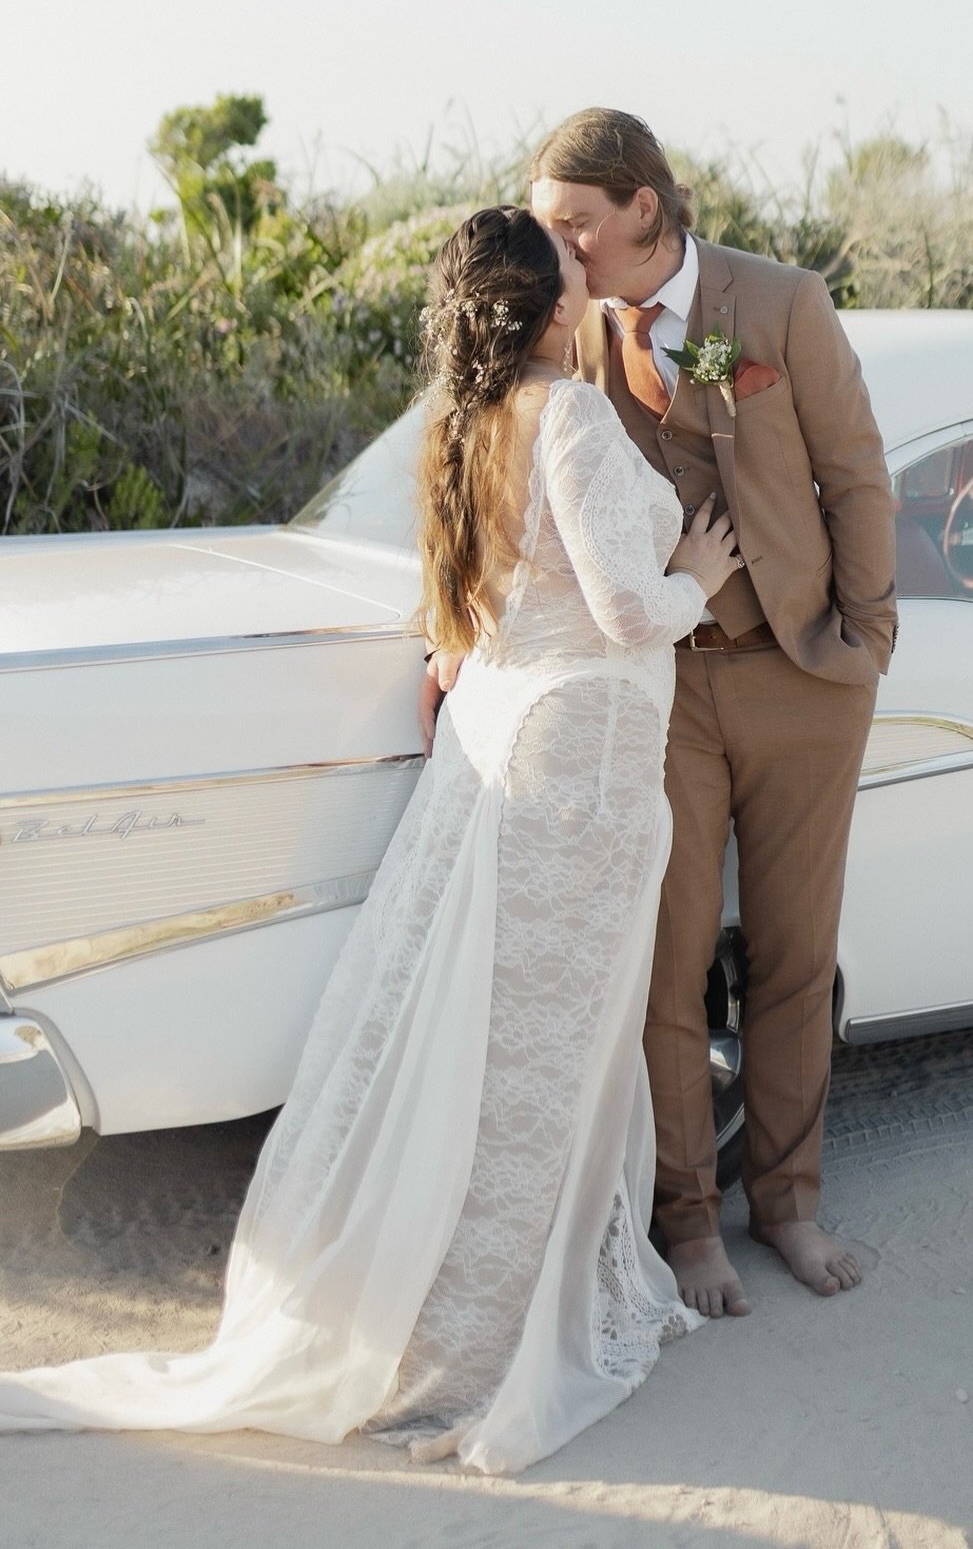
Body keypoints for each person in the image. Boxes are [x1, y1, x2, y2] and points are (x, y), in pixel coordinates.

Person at [0, 206, 741, 1473]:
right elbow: (621, 608)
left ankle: (426, 1310)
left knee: (488, 1053)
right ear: (552, 306)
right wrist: (704, 576)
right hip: (582, 768)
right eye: (574, 267)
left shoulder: (467, 423)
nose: (591, 274)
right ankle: (475, 1342)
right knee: (538, 1064)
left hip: (524, 740)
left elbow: (487, 603)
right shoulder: (562, 414)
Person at [424, 112, 898, 1319]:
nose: (555, 239)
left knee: (797, 959)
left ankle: (788, 1205)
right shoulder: (566, 331)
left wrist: (866, 636)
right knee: (669, 966)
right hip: (660, 694)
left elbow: (854, 472)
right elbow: (498, 471)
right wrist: (448, 635)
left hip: (801, 677)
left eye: (574, 217)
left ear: (645, 207)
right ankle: (688, 1225)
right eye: (544, 220)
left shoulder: (777, 302)